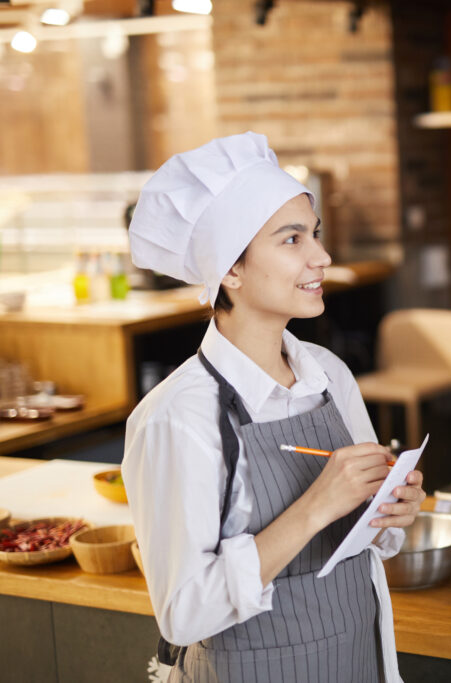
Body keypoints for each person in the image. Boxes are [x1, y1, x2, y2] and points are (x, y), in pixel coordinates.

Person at [122, 132, 424, 683]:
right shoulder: (178, 417)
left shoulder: (328, 374)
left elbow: (370, 534)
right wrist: (314, 507)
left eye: (314, 235)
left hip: (357, 662)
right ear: (230, 272)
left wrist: (388, 512)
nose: (322, 256)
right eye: (291, 240)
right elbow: (183, 611)